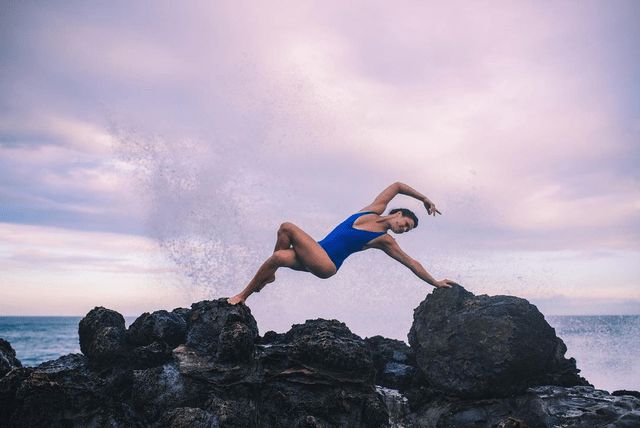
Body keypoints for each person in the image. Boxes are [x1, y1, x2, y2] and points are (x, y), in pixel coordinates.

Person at [227, 182, 458, 305]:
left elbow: (411, 263)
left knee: (287, 226)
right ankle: (264, 280)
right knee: (277, 256)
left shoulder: (385, 240)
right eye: (405, 223)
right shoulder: (373, 209)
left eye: (407, 230)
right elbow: (397, 185)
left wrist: (435, 283)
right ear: (396, 213)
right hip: (316, 251)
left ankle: (242, 296)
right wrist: (424, 198)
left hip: (327, 264)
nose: (403, 229)